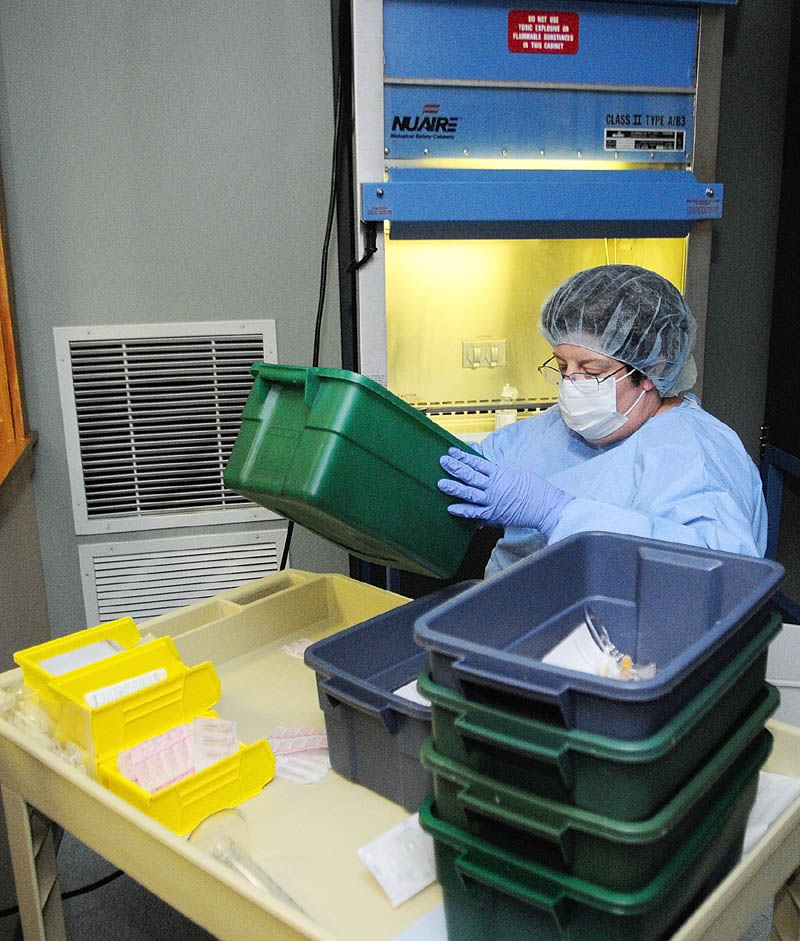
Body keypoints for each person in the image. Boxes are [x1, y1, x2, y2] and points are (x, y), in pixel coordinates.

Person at [437, 264, 767, 575]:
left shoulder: (697, 453)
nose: (573, 386)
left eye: (592, 371)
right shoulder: (558, 428)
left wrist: (559, 514)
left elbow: (725, 572)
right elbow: (472, 463)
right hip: (514, 615)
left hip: (628, 632)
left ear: (657, 368)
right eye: (563, 368)